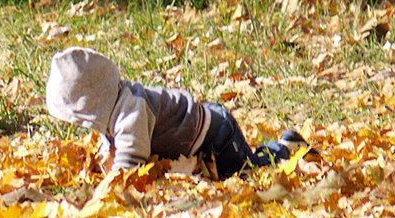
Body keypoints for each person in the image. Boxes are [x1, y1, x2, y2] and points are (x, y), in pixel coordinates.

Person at [45, 46, 308, 180]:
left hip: (217, 136)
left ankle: (284, 147)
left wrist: (111, 186)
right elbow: (112, 144)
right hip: (205, 131)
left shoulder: (131, 112)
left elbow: (128, 170)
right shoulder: (113, 107)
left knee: (246, 170)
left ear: (92, 103)